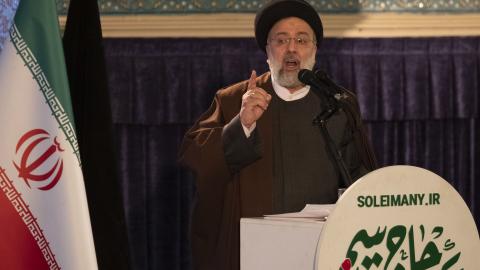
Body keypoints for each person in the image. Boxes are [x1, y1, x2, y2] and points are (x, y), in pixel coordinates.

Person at [179, 1, 377, 269]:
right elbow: (196, 158)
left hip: (325, 245)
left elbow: (359, 173)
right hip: (256, 249)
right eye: (281, 40)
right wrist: (243, 123)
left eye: (301, 40)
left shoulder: (339, 102)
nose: (292, 48)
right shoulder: (234, 100)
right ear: (267, 52)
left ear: (315, 50)